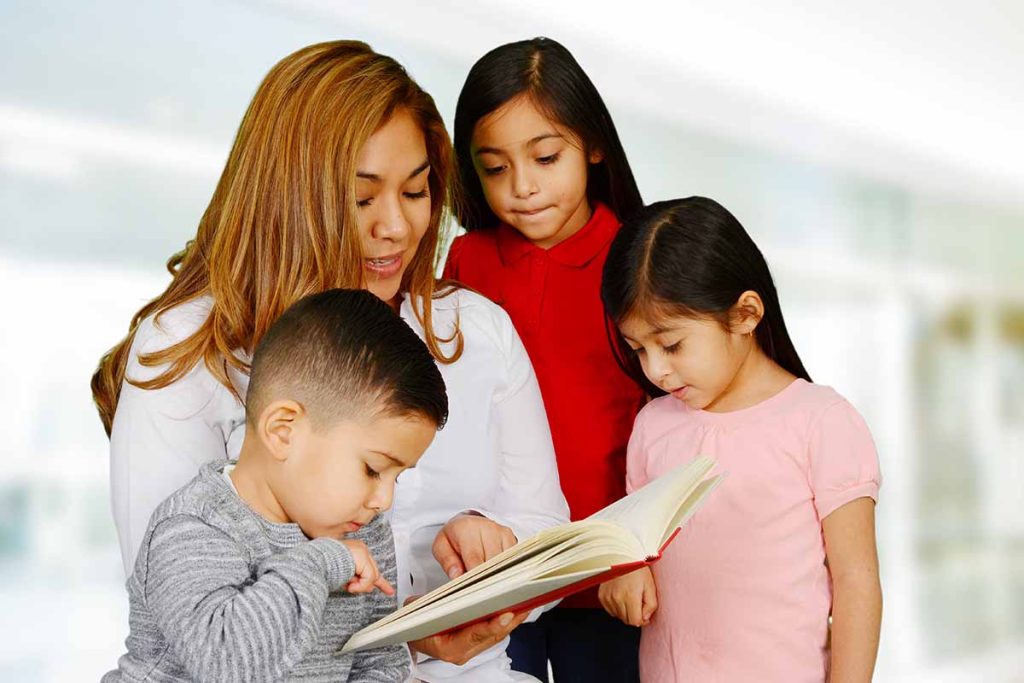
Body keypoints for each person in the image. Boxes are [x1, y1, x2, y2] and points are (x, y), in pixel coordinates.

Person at [91, 40, 569, 682]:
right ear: (289, 196)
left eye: (417, 191)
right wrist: (410, 636)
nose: (397, 228)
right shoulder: (182, 352)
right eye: (363, 198)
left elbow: (544, 528)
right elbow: (190, 625)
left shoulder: (476, 330)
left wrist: (486, 536)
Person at [599, 197, 883, 682]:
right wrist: (623, 570)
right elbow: (635, 543)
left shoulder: (820, 421)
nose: (655, 369)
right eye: (637, 348)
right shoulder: (654, 423)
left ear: (745, 314)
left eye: (671, 344)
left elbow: (856, 584)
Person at [103, 288, 445, 682]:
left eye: (396, 477)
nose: (384, 500)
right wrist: (323, 561)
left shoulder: (364, 529)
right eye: (372, 469)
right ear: (283, 432)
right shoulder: (191, 528)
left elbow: (379, 659)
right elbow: (229, 666)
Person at [444, 37, 646, 682]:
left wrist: (637, 555)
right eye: (495, 168)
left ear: (592, 146)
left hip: (611, 572)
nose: (523, 188)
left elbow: (678, 419)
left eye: (545, 157)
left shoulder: (640, 260)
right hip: (499, 572)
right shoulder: (465, 263)